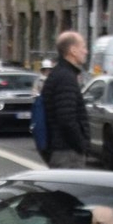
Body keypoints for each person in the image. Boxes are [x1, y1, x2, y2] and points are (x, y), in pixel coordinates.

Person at [42, 32, 92, 169]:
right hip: (67, 152)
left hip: (61, 148)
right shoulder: (66, 78)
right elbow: (66, 118)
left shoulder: (60, 74)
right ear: (73, 51)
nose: (86, 51)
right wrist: (81, 145)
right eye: (83, 47)